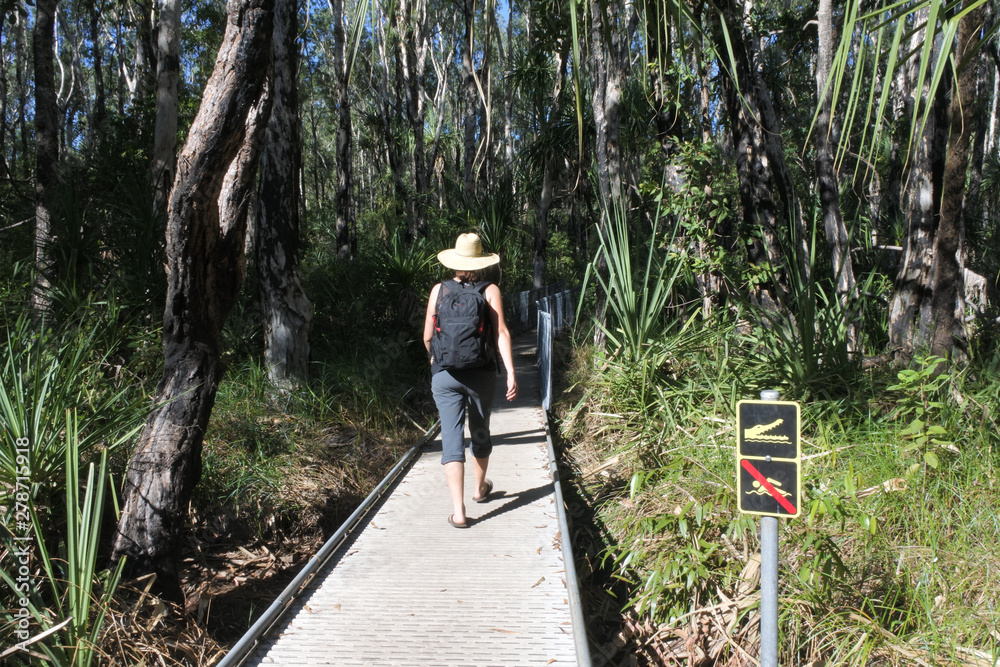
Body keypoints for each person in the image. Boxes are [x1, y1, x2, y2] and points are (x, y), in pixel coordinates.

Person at [423, 233, 518, 528]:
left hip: (444, 375)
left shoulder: (439, 290)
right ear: (481, 262)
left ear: (454, 260)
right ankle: (479, 490)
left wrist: (435, 357)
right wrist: (511, 371)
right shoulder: (490, 290)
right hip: (482, 374)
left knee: (451, 440)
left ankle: (459, 511)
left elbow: (427, 335)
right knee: (479, 430)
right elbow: (501, 332)